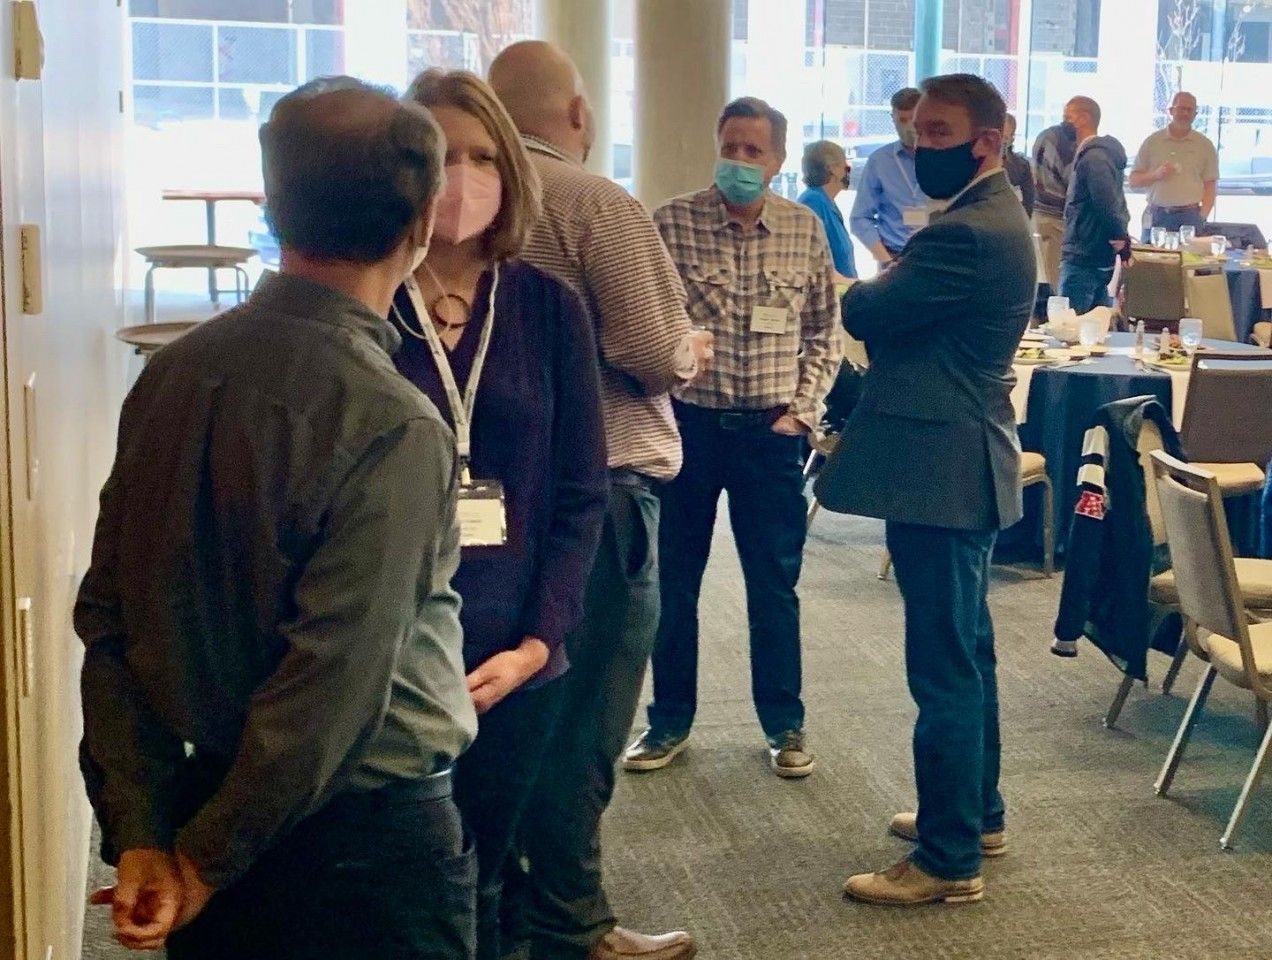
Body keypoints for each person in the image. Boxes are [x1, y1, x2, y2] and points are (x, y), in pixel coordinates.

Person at [76, 77, 479, 957]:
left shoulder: (171, 377)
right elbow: (330, 692)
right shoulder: (393, 424)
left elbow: (108, 617)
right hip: (365, 855)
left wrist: (147, 831)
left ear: (272, 204)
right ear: (420, 228)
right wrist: (203, 863)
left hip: (206, 802)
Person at [489, 39, 708, 960]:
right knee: (585, 723)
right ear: (578, 115)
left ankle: (502, 906)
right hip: (605, 492)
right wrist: (693, 349)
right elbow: (656, 353)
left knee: (511, 713)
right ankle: (572, 923)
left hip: (494, 503)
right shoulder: (591, 201)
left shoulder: (451, 200)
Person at [394, 68, 609, 960]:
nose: (463, 177)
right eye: (442, 156)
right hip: (392, 654)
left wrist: (537, 641)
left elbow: (580, 495)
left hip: (514, 649)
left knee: (488, 867)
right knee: (406, 881)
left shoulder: (547, 308)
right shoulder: (369, 307)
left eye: (484, 156)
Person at [814, 72, 1034, 907]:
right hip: (960, 459)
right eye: (913, 132)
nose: (919, 148)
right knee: (967, 653)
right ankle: (974, 813)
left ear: (990, 139)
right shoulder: (990, 218)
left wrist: (880, 287)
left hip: (942, 469)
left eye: (939, 133)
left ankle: (947, 861)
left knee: (943, 667)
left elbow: (867, 314)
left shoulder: (966, 233)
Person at [624, 96, 842, 779]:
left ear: (777, 161)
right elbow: (646, 324)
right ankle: (669, 722)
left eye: (754, 151)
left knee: (773, 586)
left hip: (770, 433)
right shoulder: (671, 223)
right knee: (675, 582)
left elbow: (823, 332)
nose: (740, 161)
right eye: (731, 147)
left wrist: (802, 413)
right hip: (689, 429)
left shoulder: (804, 229)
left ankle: (784, 723)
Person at [1058, 96, 1130, 315]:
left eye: (1067, 117)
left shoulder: (1094, 158)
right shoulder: (1098, 155)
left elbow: (1106, 203)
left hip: (1085, 255)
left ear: (1083, 118)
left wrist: (1119, 238)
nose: (1063, 123)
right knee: (1095, 328)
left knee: (1070, 328)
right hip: (1094, 253)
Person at [850, 87, 930, 268]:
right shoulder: (879, 161)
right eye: (902, 120)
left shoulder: (942, 157)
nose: (909, 127)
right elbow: (860, 218)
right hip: (893, 255)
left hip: (933, 256)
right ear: (892, 119)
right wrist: (885, 260)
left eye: (914, 119)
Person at [1129, 91, 1218, 240]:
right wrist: (1155, 175)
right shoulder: (1152, 142)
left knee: (1189, 261)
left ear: (1195, 114)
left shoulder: (1205, 146)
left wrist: (1202, 216)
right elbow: (1133, 181)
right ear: (1171, 111)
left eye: (1189, 110)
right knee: (1150, 261)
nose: (1185, 113)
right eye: (1181, 108)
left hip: (1190, 218)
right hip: (1156, 215)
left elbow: (1210, 186)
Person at [798, 139, 858, 279]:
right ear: (832, 168)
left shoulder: (826, 202)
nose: (848, 171)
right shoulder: (813, 202)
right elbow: (812, 264)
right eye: (846, 167)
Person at [1031, 118, 1077, 292]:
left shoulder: (1046, 136)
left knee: (1044, 278)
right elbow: (1071, 183)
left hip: (1041, 212)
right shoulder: (1063, 144)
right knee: (1054, 283)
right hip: (1055, 216)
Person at [1002, 113, 1035, 218]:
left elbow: (1028, 202)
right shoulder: (975, 163)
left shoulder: (1021, 166)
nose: (1000, 142)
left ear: (1012, 138)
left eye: (1005, 137)